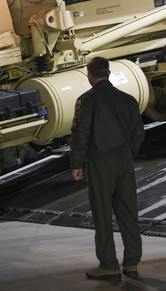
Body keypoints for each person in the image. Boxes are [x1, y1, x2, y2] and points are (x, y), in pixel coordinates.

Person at [70, 56, 145, 281]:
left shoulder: (87, 100)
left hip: (99, 162)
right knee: (128, 213)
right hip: (123, 161)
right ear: (109, 73)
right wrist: (128, 154)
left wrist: (76, 163)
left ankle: (108, 265)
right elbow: (139, 133)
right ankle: (132, 263)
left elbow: (80, 133)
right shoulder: (128, 100)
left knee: (102, 214)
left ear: (89, 74)